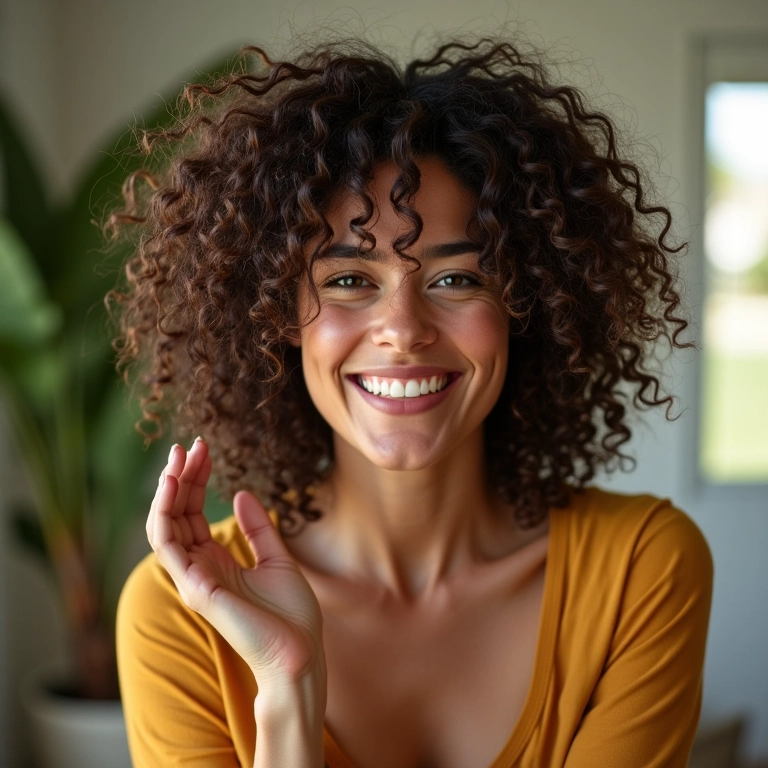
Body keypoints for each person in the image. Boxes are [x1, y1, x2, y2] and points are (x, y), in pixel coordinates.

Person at [111, 36, 713, 768]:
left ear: (525, 304)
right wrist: (287, 687)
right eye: (349, 281)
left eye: (457, 280)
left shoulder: (640, 570)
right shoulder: (183, 609)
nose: (402, 331)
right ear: (276, 314)